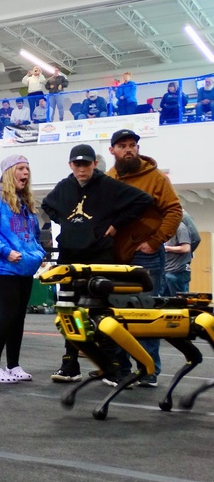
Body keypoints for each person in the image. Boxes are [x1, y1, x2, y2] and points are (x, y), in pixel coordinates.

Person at [41, 144, 151, 383]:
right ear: (71, 165)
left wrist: (116, 224)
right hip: (69, 257)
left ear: (94, 164)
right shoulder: (64, 187)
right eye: (77, 164)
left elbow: (143, 200)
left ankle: (112, 368)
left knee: (100, 313)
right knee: (70, 311)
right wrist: (66, 223)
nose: (82, 169)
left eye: (86, 164)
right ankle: (70, 365)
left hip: (98, 258)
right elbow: (47, 205)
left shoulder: (108, 186)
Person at [107, 128, 183, 387]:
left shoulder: (155, 177)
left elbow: (174, 210)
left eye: (132, 145)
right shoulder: (108, 179)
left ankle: (148, 370)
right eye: (122, 146)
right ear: (112, 151)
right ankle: (121, 369)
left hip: (146, 257)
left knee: (146, 313)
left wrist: (154, 241)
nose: (128, 149)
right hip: (115, 257)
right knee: (116, 313)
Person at [0, 155, 45, 384]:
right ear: (9, 171)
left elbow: (33, 234)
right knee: (7, 314)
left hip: (24, 265)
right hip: (2, 266)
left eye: (28, 168)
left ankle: (13, 365)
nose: (26, 173)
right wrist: (5, 251)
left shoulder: (25, 202)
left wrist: (38, 252)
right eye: (21, 168)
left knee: (18, 317)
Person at [163, 221, 193, 296]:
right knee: (164, 302)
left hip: (178, 272)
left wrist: (165, 248)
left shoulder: (180, 228)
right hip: (166, 270)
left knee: (180, 302)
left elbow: (186, 248)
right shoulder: (165, 228)